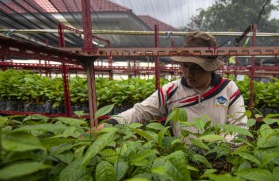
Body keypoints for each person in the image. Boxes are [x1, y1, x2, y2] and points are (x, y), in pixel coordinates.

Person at [97, 31, 248, 142]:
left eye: (196, 68)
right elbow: (141, 112)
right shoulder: (171, 90)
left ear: (210, 67)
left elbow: (239, 129)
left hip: (219, 163)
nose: (188, 74)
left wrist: (216, 150)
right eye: (185, 66)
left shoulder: (228, 89)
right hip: (181, 160)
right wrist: (113, 123)